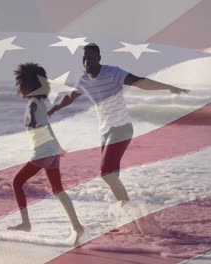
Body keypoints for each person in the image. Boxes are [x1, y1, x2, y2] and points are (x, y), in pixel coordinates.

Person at [48, 43, 189, 205]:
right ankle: (123, 213)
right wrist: (53, 110)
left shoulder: (113, 72)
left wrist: (167, 87)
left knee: (106, 173)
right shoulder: (84, 79)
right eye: (85, 59)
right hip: (105, 131)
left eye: (92, 59)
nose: (87, 63)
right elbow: (70, 97)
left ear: (99, 59)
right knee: (113, 175)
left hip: (121, 128)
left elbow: (139, 82)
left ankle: (129, 209)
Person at [8, 62, 84, 245]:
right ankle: (77, 227)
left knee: (16, 183)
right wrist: (58, 147)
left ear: (28, 85)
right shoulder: (39, 103)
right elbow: (47, 125)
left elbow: (41, 124)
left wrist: (35, 124)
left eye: (21, 84)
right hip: (51, 152)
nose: (19, 87)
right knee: (58, 190)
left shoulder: (34, 104)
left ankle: (26, 223)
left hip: (43, 151)